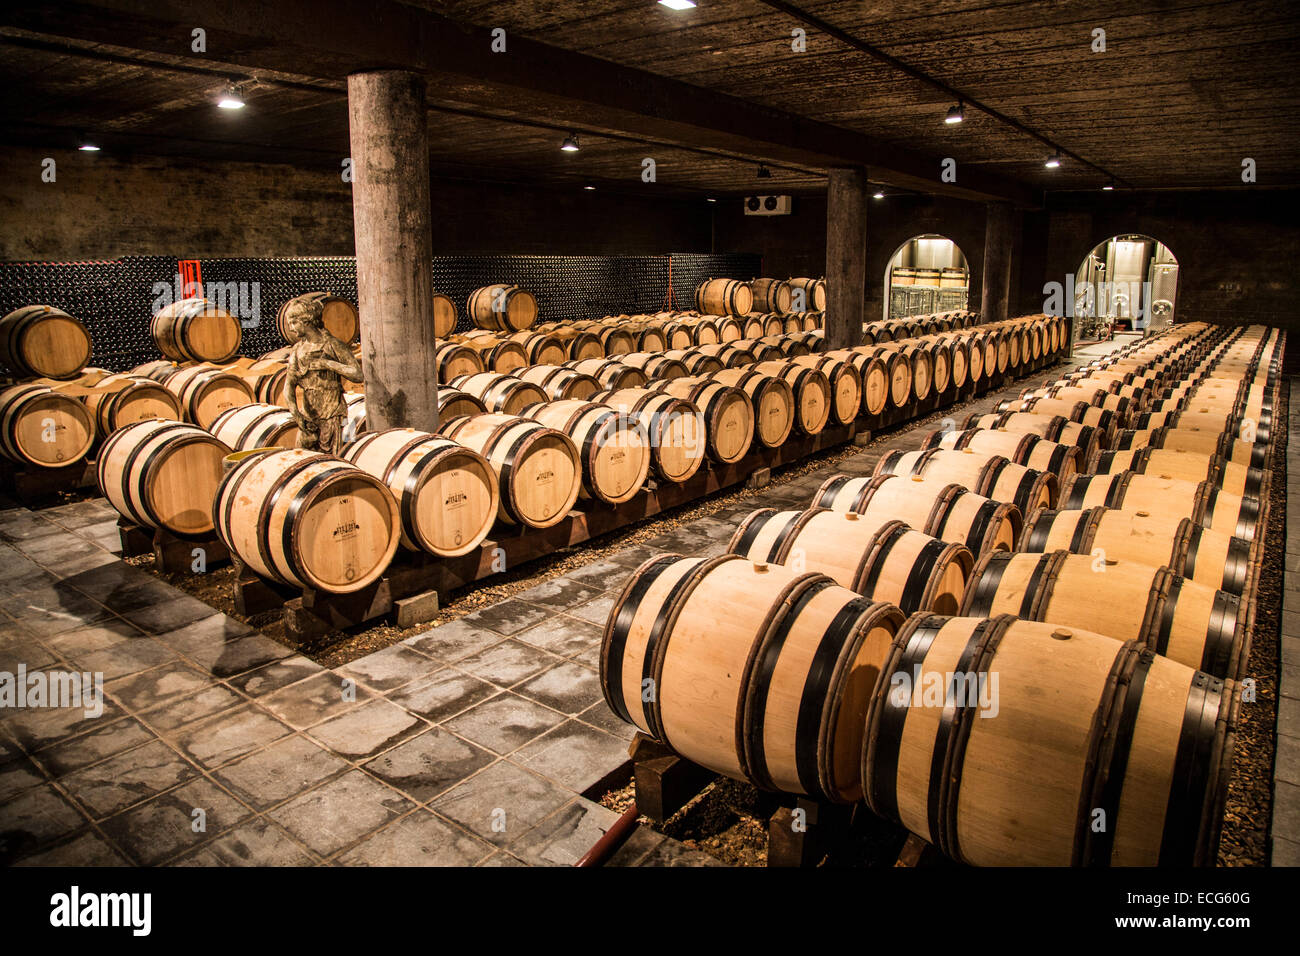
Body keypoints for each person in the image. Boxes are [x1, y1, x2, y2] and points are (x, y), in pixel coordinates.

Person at [283, 298, 363, 455]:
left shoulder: (333, 344)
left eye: (294, 322)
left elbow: (358, 375)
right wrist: (296, 414)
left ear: (306, 321)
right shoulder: (297, 350)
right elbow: (288, 386)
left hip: (335, 416)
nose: (291, 329)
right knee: (303, 461)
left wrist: (328, 364)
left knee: (341, 458)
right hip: (309, 418)